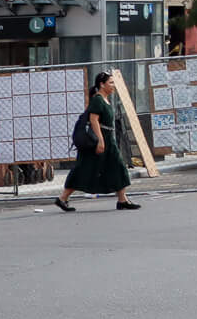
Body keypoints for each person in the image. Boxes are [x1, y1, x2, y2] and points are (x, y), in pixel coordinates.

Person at [58, 69, 139, 212]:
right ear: (102, 84)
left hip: (108, 139)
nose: (113, 85)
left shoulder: (106, 99)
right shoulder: (97, 99)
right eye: (111, 83)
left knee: (118, 166)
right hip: (100, 140)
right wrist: (101, 141)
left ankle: (122, 200)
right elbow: (93, 120)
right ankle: (62, 198)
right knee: (83, 168)